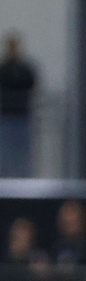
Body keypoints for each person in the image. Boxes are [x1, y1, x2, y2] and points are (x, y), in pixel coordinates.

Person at [0, 33, 37, 178]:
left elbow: (31, 83)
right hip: (6, 117)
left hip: (22, 116)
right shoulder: (3, 69)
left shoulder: (25, 69)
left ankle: (23, 179)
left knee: (23, 153)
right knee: (5, 153)